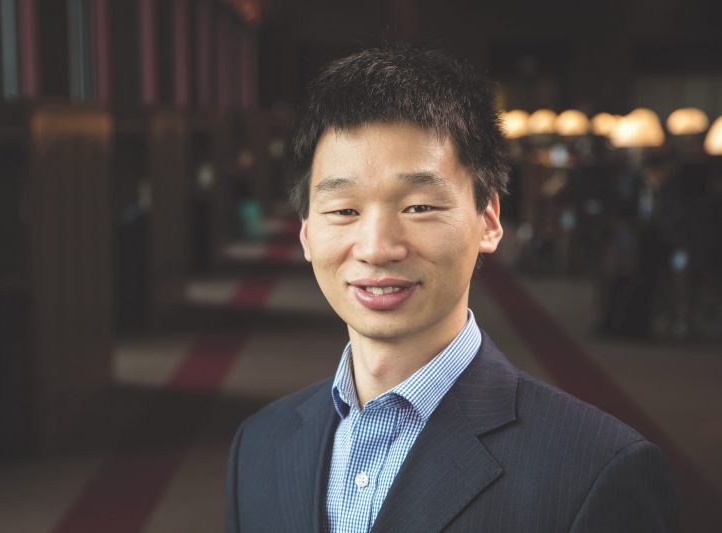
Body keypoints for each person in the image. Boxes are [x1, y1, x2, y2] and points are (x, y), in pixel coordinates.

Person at [225, 45, 678, 533]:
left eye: (419, 207)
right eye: (344, 210)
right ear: (307, 233)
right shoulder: (258, 444)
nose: (377, 249)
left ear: (488, 222)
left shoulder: (598, 468)